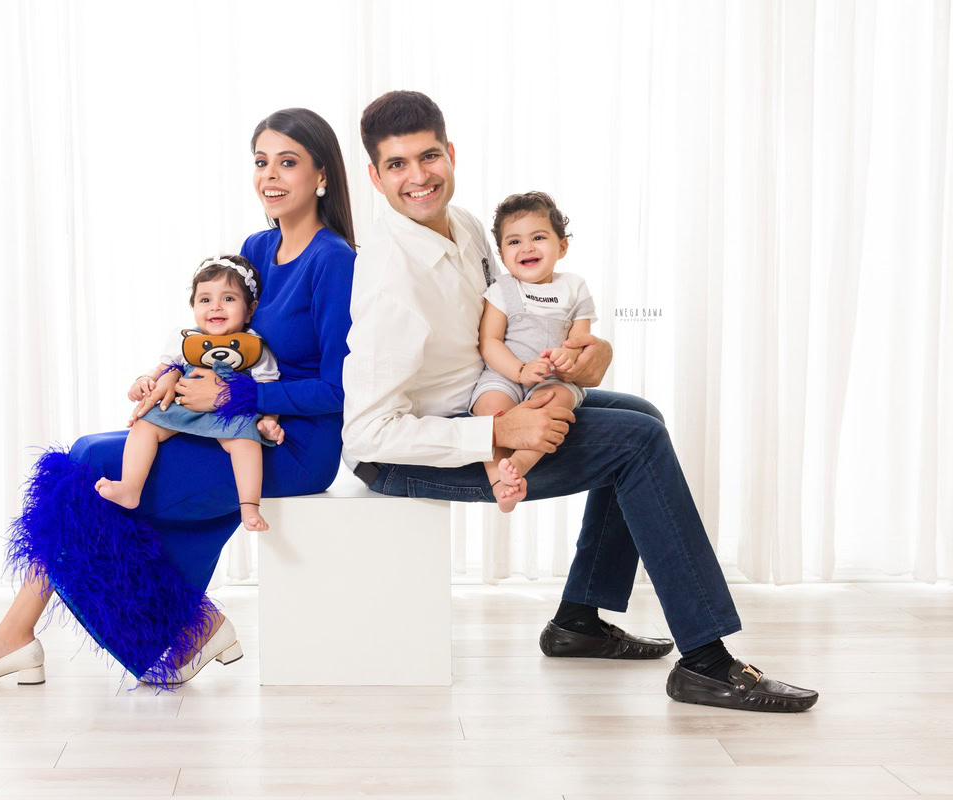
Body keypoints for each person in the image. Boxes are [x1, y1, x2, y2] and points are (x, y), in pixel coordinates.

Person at [342, 90, 818, 713]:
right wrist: (497, 431)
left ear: (451, 154)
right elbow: (367, 435)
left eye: (428, 156)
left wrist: (588, 354)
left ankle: (578, 621)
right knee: (635, 444)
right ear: (375, 178)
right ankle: (706, 661)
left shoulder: (463, 226)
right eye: (397, 165)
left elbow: (519, 317)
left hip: (491, 394)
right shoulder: (388, 278)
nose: (418, 177)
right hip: (416, 453)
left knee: (642, 417)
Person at [0, 107, 356, 689]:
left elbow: (339, 388)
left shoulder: (333, 261)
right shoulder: (256, 248)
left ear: (322, 175)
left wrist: (235, 394)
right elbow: (217, 340)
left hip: (293, 444)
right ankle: (128, 628)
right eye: (261, 162)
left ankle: (30, 635)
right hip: (232, 423)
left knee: (90, 462)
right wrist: (171, 376)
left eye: (288, 162)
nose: (271, 176)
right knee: (86, 451)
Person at [95, 255, 286, 532]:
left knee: (246, 442)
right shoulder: (185, 338)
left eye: (229, 299)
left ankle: (249, 506)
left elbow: (268, 387)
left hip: (229, 412)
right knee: (145, 423)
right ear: (194, 306)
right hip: (185, 404)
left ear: (250, 309)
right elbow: (160, 369)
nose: (215, 307)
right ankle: (131, 487)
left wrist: (270, 419)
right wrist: (144, 380)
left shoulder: (255, 346)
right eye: (205, 300)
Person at [471, 191, 596, 512]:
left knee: (559, 404)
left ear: (562, 246)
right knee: (489, 408)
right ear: (501, 253)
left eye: (538, 237)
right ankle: (499, 480)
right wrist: (519, 372)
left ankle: (520, 466)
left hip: (552, 379)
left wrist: (568, 357)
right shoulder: (501, 290)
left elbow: (581, 339)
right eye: (514, 242)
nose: (526, 247)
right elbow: (490, 342)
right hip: (507, 374)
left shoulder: (574, 287)